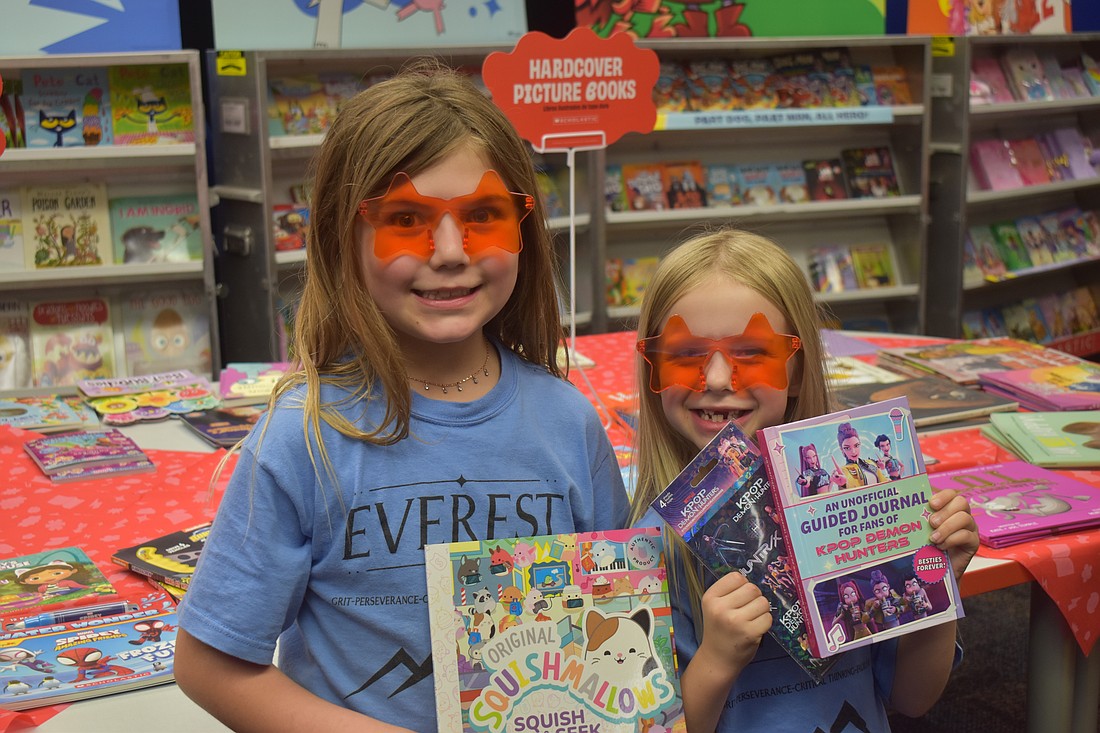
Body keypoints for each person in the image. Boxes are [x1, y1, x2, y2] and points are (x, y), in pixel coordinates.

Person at [173, 61, 630, 732]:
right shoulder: (305, 435)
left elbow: (618, 628)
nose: (449, 251)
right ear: (341, 236)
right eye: (408, 219)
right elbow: (208, 662)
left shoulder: (568, 421)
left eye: (483, 216)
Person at [629, 229, 979, 731]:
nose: (720, 380)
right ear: (652, 370)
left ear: (796, 370)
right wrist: (716, 660)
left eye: (753, 353)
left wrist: (939, 584)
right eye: (686, 355)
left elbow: (913, 698)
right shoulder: (649, 546)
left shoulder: (858, 500)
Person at [831, 421, 888, 489]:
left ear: (860, 443)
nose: (853, 451)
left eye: (856, 445)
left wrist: (883, 469)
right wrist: (844, 485)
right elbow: (851, 486)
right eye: (847, 448)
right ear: (842, 449)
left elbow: (885, 481)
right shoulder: (844, 470)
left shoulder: (871, 463)